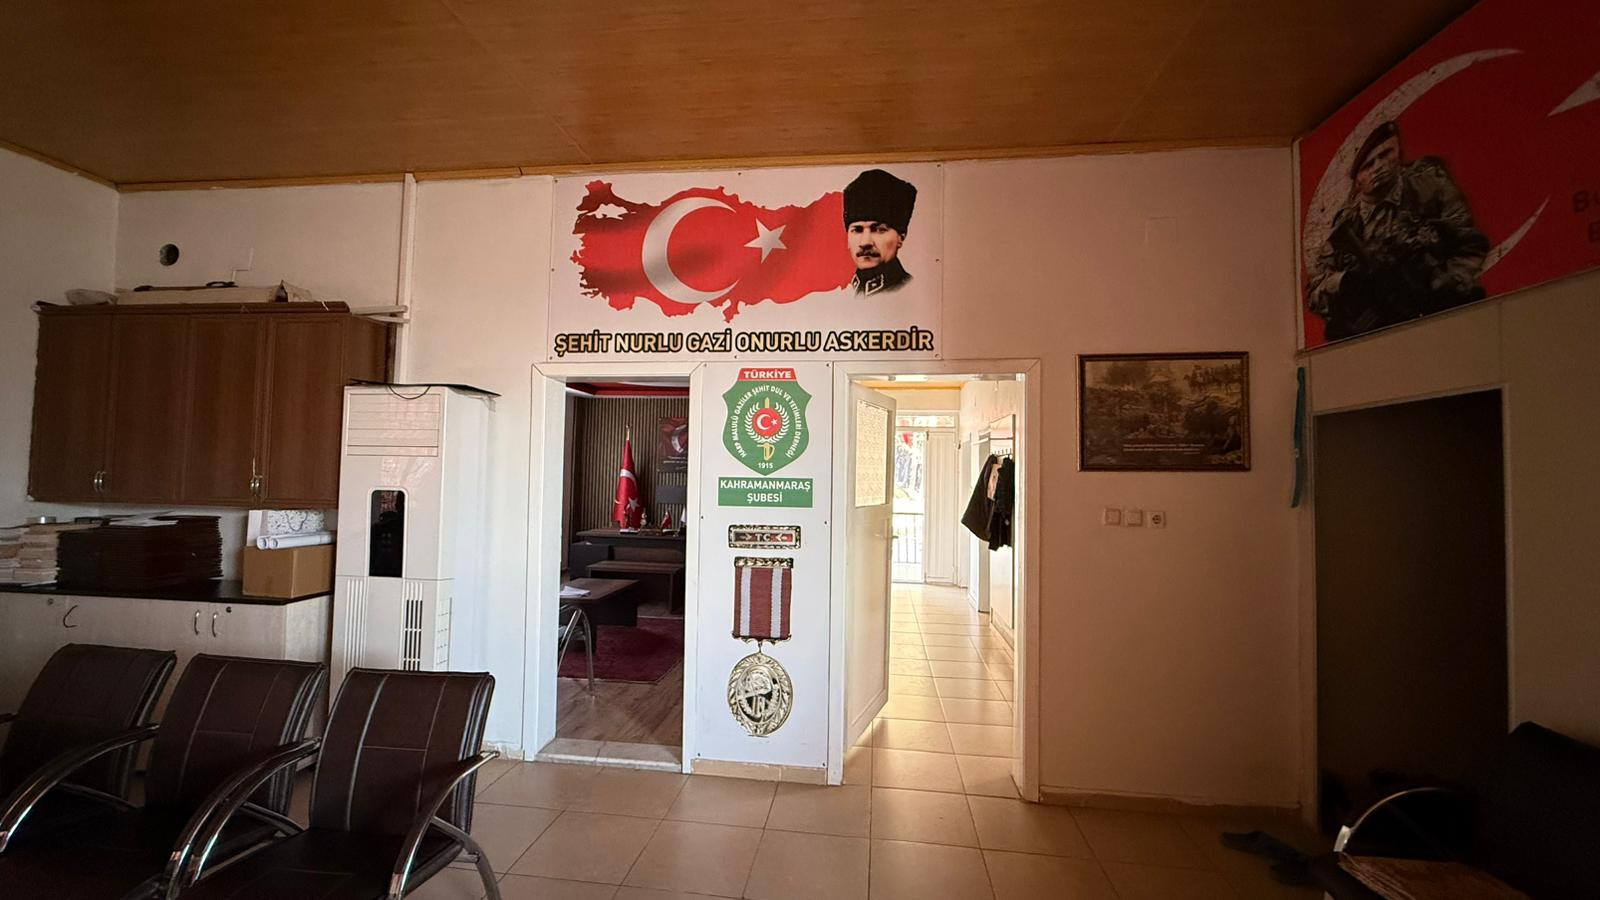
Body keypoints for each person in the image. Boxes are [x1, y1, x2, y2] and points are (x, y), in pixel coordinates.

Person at [1307, 121, 1489, 340]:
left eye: (1385, 154)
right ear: (1357, 180)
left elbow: (1471, 243)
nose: (1379, 167)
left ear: (1398, 151)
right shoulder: (1347, 225)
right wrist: (1346, 281)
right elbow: (1315, 292)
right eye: (1368, 165)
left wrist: (1444, 286)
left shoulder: (1428, 187)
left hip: (1439, 318)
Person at [843, 169, 917, 295]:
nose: (865, 242)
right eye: (857, 230)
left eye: (878, 230)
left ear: (901, 237)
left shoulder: (909, 291)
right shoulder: (843, 296)